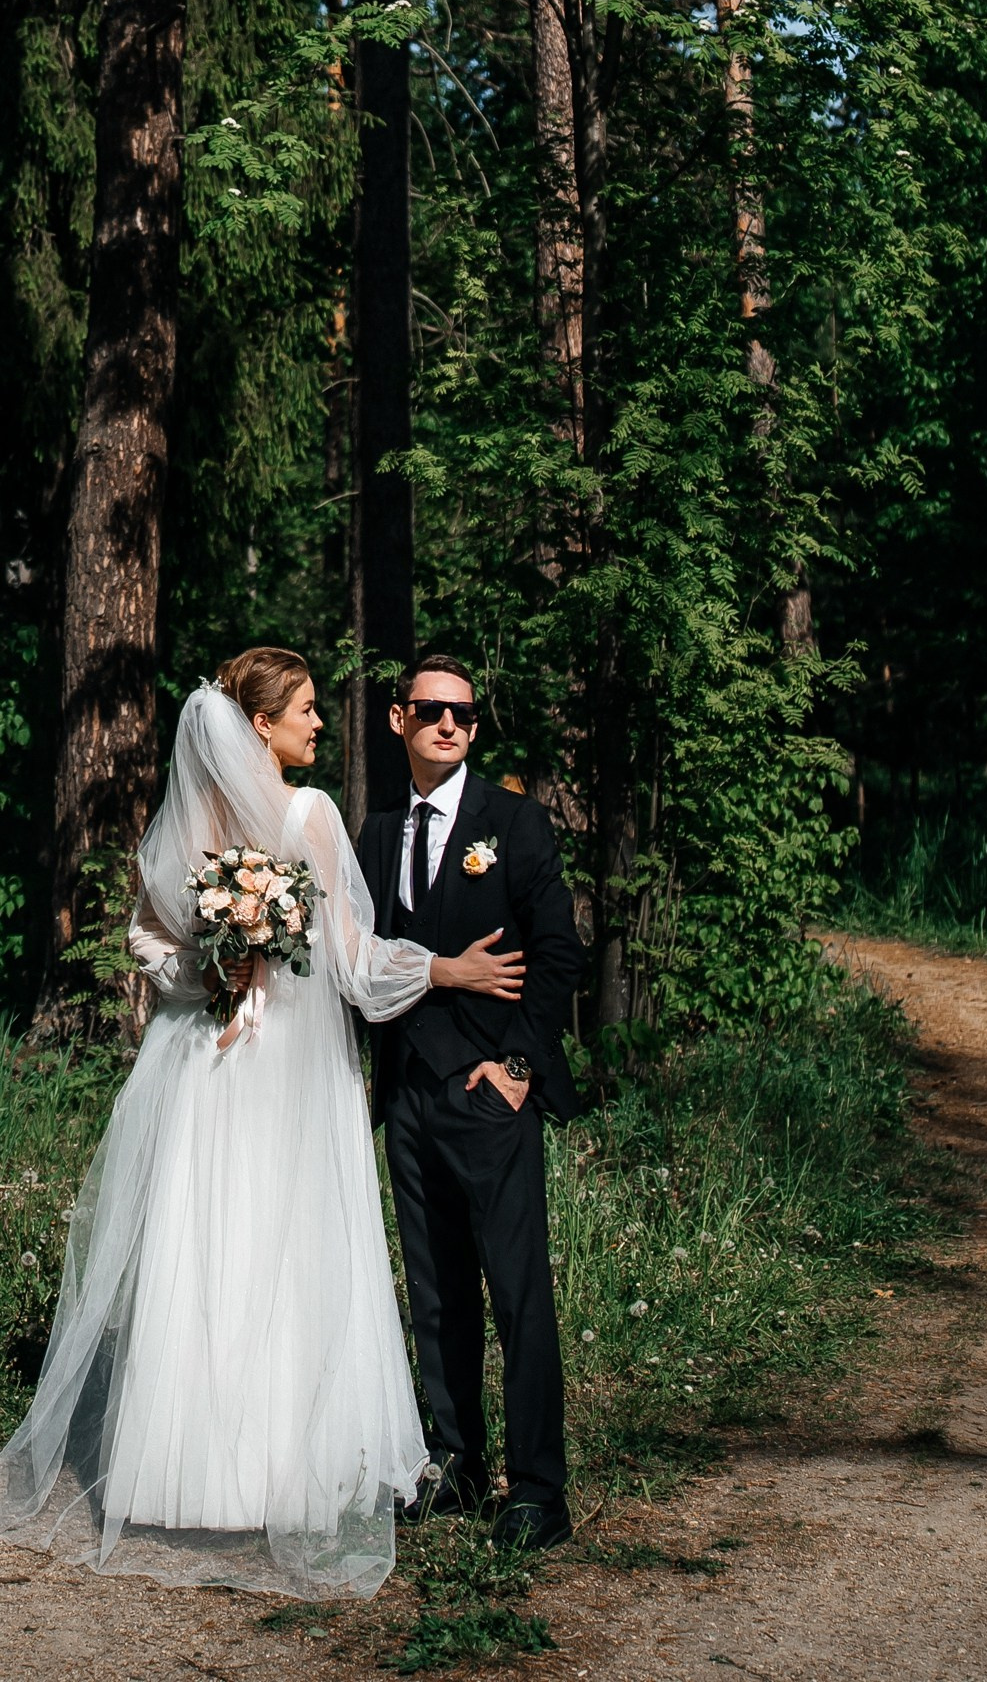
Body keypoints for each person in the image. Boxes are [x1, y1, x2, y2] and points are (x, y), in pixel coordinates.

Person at [0, 648, 526, 1600]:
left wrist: (204, 976)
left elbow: (163, 940)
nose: (318, 724)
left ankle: (215, 1479)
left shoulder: (225, 821)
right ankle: (236, 1479)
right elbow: (344, 959)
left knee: (239, 1245)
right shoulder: (298, 817)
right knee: (240, 1248)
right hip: (245, 1066)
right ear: (260, 725)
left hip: (241, 1065)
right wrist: (437, 969)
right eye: (306, 709)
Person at [356, 656, 587, 1552]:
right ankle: (452, 1459)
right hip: (409, 1096)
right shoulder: (376, 835)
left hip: (490, 1094)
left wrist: (520, 1066)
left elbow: (558, 951)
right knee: (435, 1290)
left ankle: (538, 1487)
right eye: (432, 711)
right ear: (398, 720)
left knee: (517, 1292)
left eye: (465, 713)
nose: (450, 725)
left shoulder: (514, 823)